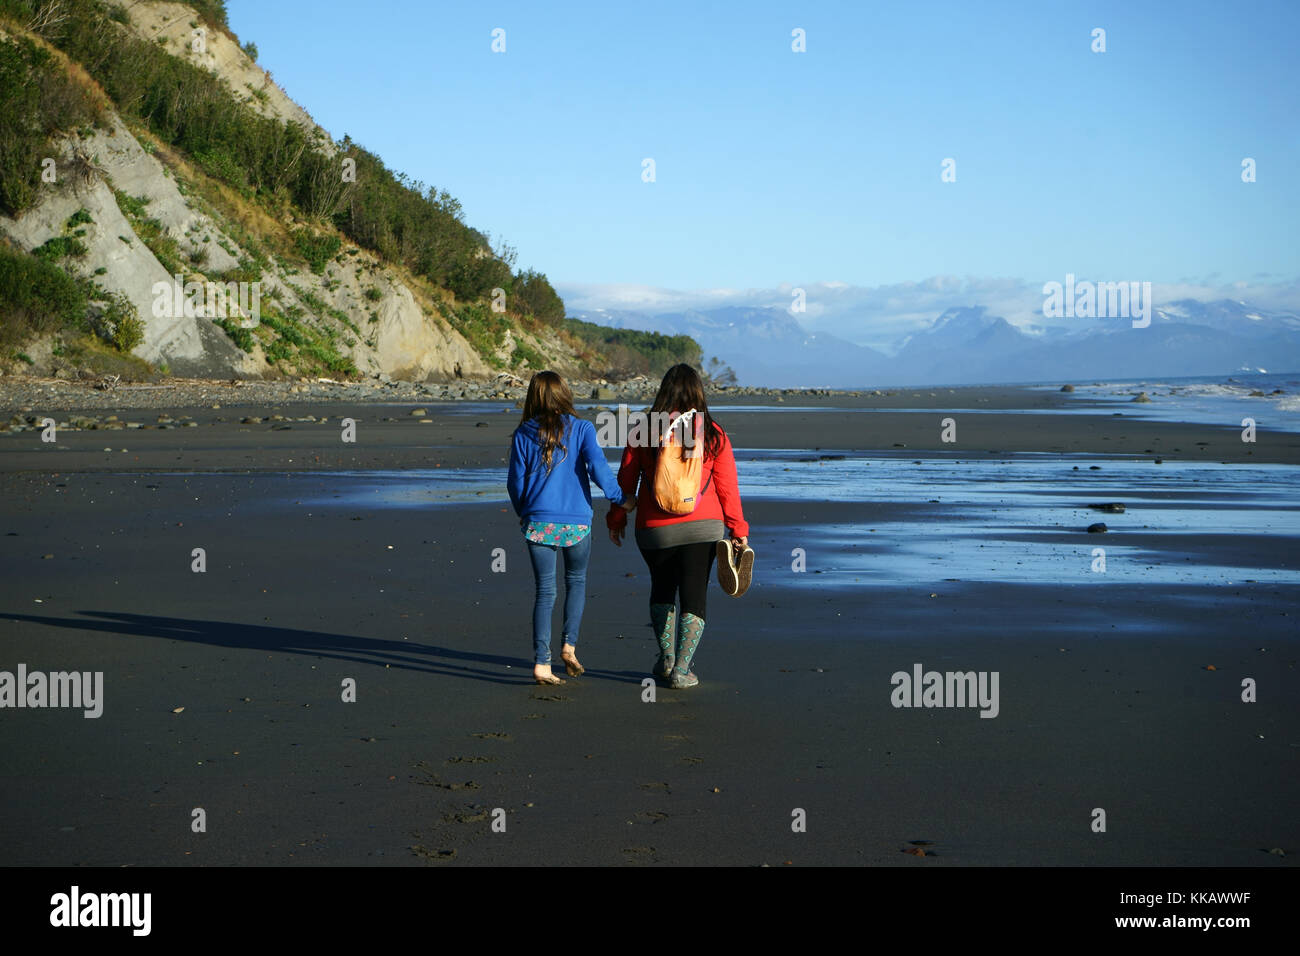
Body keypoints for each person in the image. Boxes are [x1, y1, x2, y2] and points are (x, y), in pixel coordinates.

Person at [607, 364, 749, 689]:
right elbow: (728, 488)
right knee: (694, 591)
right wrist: (738, 530)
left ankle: (666, 657)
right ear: (698, 393)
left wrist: (616, 519)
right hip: (704, 527)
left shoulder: (643, 430)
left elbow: (626, 483)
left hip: (654, 529)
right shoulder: (713, 433)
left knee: (662, 586)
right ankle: (682, 670)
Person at [508, 371, 635, 685]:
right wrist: (620, 499)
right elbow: (599, 469)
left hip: (537, 521)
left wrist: (525, 511)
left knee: (545, 592)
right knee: (576, 581)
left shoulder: (523, 433)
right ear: (565, 394)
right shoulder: (581, 429)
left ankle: (541, 663)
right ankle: (569, 646)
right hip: (576, 522)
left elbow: (515, 483)